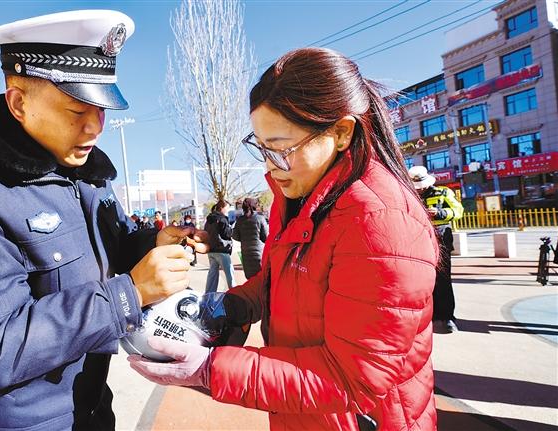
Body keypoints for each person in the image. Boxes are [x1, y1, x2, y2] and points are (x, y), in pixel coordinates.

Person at [0, 10, 206, 431]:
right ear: (19, 103)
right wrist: (129, 294)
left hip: (92, 406)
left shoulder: (84, 172)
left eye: (101, 110)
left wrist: (152, 246)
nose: (94, 128)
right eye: (77, 110)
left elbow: (107, 248)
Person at [128, 48, 439, 431]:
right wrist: (230, 307)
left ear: (342, 133)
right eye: (262, 148)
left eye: (281, 149)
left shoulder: (380, 221)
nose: (270, 166)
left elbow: (353, 379)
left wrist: (210, 369)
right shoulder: (298, 195)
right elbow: (284, 282)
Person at [408, 166, 464, 334]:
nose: (420, 189)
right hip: (418, 239)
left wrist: (439, 213)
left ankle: (446, 317)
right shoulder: (410, 195)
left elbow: (458, 211)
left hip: (441, 239)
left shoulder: (443, 192)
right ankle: (428, 316)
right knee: (423, 280)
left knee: (443, 279)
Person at [231, 197, 268, 279]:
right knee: (262, 278)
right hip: (259, 254)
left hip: (246, 254)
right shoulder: (260, 218)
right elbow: (266, 237)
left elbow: (235, 236)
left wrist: (244, 239)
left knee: (250, 279)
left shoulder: (240, 220)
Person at [203, 200, 235, 293]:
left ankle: (209, 295)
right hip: (222, 249)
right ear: (221, 208)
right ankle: (235, 293)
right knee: (230, 274)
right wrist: (232, 229)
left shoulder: (209, 219)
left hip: (211, 250)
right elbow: (227, 234)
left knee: (212, 275)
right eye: (227, 208)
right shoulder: (222, 219)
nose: (227, 211)